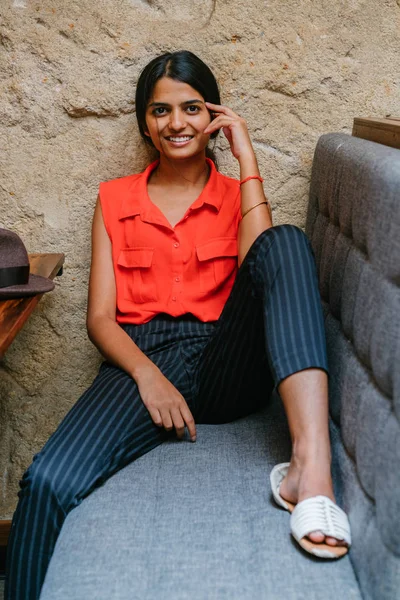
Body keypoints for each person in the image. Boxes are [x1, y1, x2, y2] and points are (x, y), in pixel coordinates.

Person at [5, 49, 351, 600]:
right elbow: (100, 318)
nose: (176, 123)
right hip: (139, 356)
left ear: (212, 116)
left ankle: (310, 473)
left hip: (223, 360)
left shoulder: (233, 195)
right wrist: (147, 377)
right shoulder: (114, 199)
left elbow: (264, 269)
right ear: (145, 122)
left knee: (284, 240)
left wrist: (246, 161)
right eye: (160, 111)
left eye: (191, 108)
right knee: (48, 479)